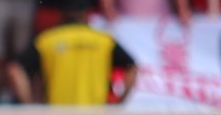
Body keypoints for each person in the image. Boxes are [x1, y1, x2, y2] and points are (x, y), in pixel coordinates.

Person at [7, 13, 139, 105]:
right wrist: (120, 101)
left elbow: (15, 70)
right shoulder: (104, 40)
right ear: (86, 17)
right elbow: (132, 67)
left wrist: (29, 104)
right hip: (96, 114)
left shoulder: (47, 40)